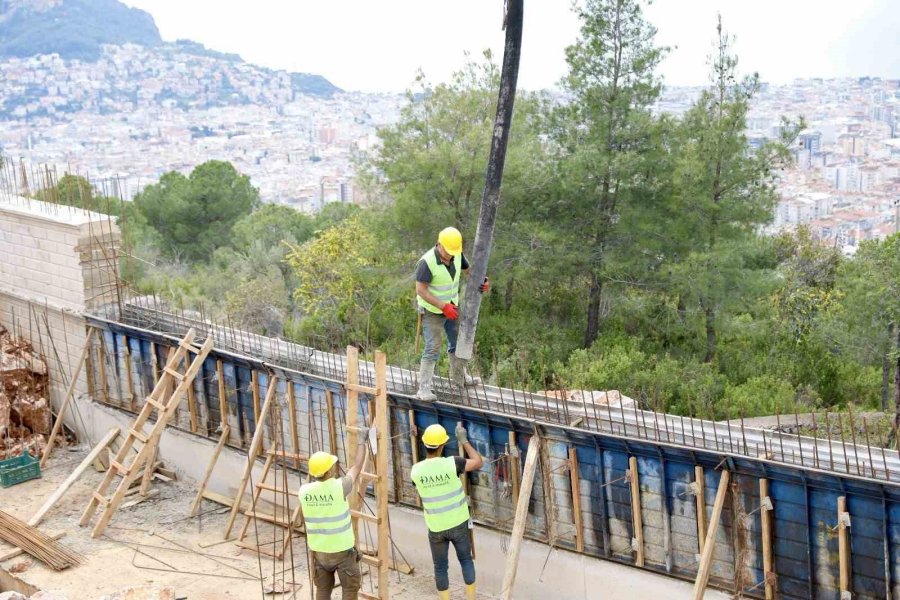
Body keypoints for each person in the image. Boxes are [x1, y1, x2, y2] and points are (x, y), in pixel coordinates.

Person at [411, 422, 483, 600]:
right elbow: (478, 462)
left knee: (440, 567)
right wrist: (464, 441)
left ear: (425, 444)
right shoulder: (453, 463)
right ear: (442, 445)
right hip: (458, 523)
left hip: (436, 528)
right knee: (466, 560)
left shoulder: (416, 470)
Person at [415, 226, 489, 400]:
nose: (450, 255)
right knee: (433, 346)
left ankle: (459, 378)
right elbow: (421, 290)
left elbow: (470, 272)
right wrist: (442, 306)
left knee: (458, 341)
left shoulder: (457, 255)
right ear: (439, 244)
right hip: (432, 310)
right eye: (448, 251)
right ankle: (424, 389)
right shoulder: (426, 262)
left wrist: (482, 281)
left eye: (453, 252)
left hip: (452, 306)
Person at [299, 425, 369, 600]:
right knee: (350, 589)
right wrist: (362, 440)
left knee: (323, 590)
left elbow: (303, 518)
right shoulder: (340, 486)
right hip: (342, 551)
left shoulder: (304, 491)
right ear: (329, 470)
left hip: (319, 551)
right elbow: (356, 467)